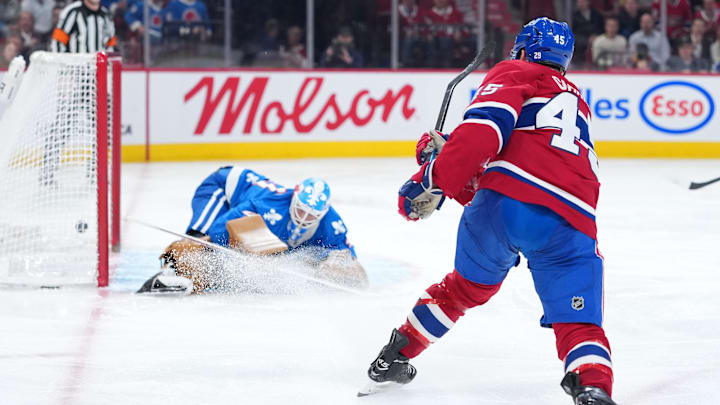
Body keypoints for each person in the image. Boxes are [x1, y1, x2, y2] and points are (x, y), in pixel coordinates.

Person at [361, 17, 617, 405]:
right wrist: (450, 151)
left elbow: (486, 133)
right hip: (571, 218)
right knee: (578, 323)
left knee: (462, 289)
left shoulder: (514, 69)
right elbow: (528, 156)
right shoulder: (576, 100)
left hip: (499, 207)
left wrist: (433, 177)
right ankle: (592, 388)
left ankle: (395, 356)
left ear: (526, 49)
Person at [144, 166, 367, 294]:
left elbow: (349, 259)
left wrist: (339, 271)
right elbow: (220, 229)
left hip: (249, 202)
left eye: (311, 215)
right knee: (200, 241)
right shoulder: (270, 207)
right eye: (300, 209)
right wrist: (244, 248)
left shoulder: (332, 225)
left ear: (324, 212)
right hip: (222, 188)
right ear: (293, 197)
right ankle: (169, 274)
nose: (304, 218)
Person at [51, 0, 117, 53]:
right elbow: (58, 42)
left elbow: (111, 43)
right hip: (75, 67)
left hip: (99, 66)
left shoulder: (105, 14)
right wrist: (64, 65)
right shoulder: (73, 11)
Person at [573, 0, 605, 67]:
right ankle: (580, 63)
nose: (580, 4)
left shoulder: (596, 14)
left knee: (600, 41)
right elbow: (574, 31)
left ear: (588, 2)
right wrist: (587, 38)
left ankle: (599, 63)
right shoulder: (575, 16)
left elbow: (601, 28)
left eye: (582, 2)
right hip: (581, 37)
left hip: (597, 36)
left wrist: (595, 35)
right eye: (579, 2)